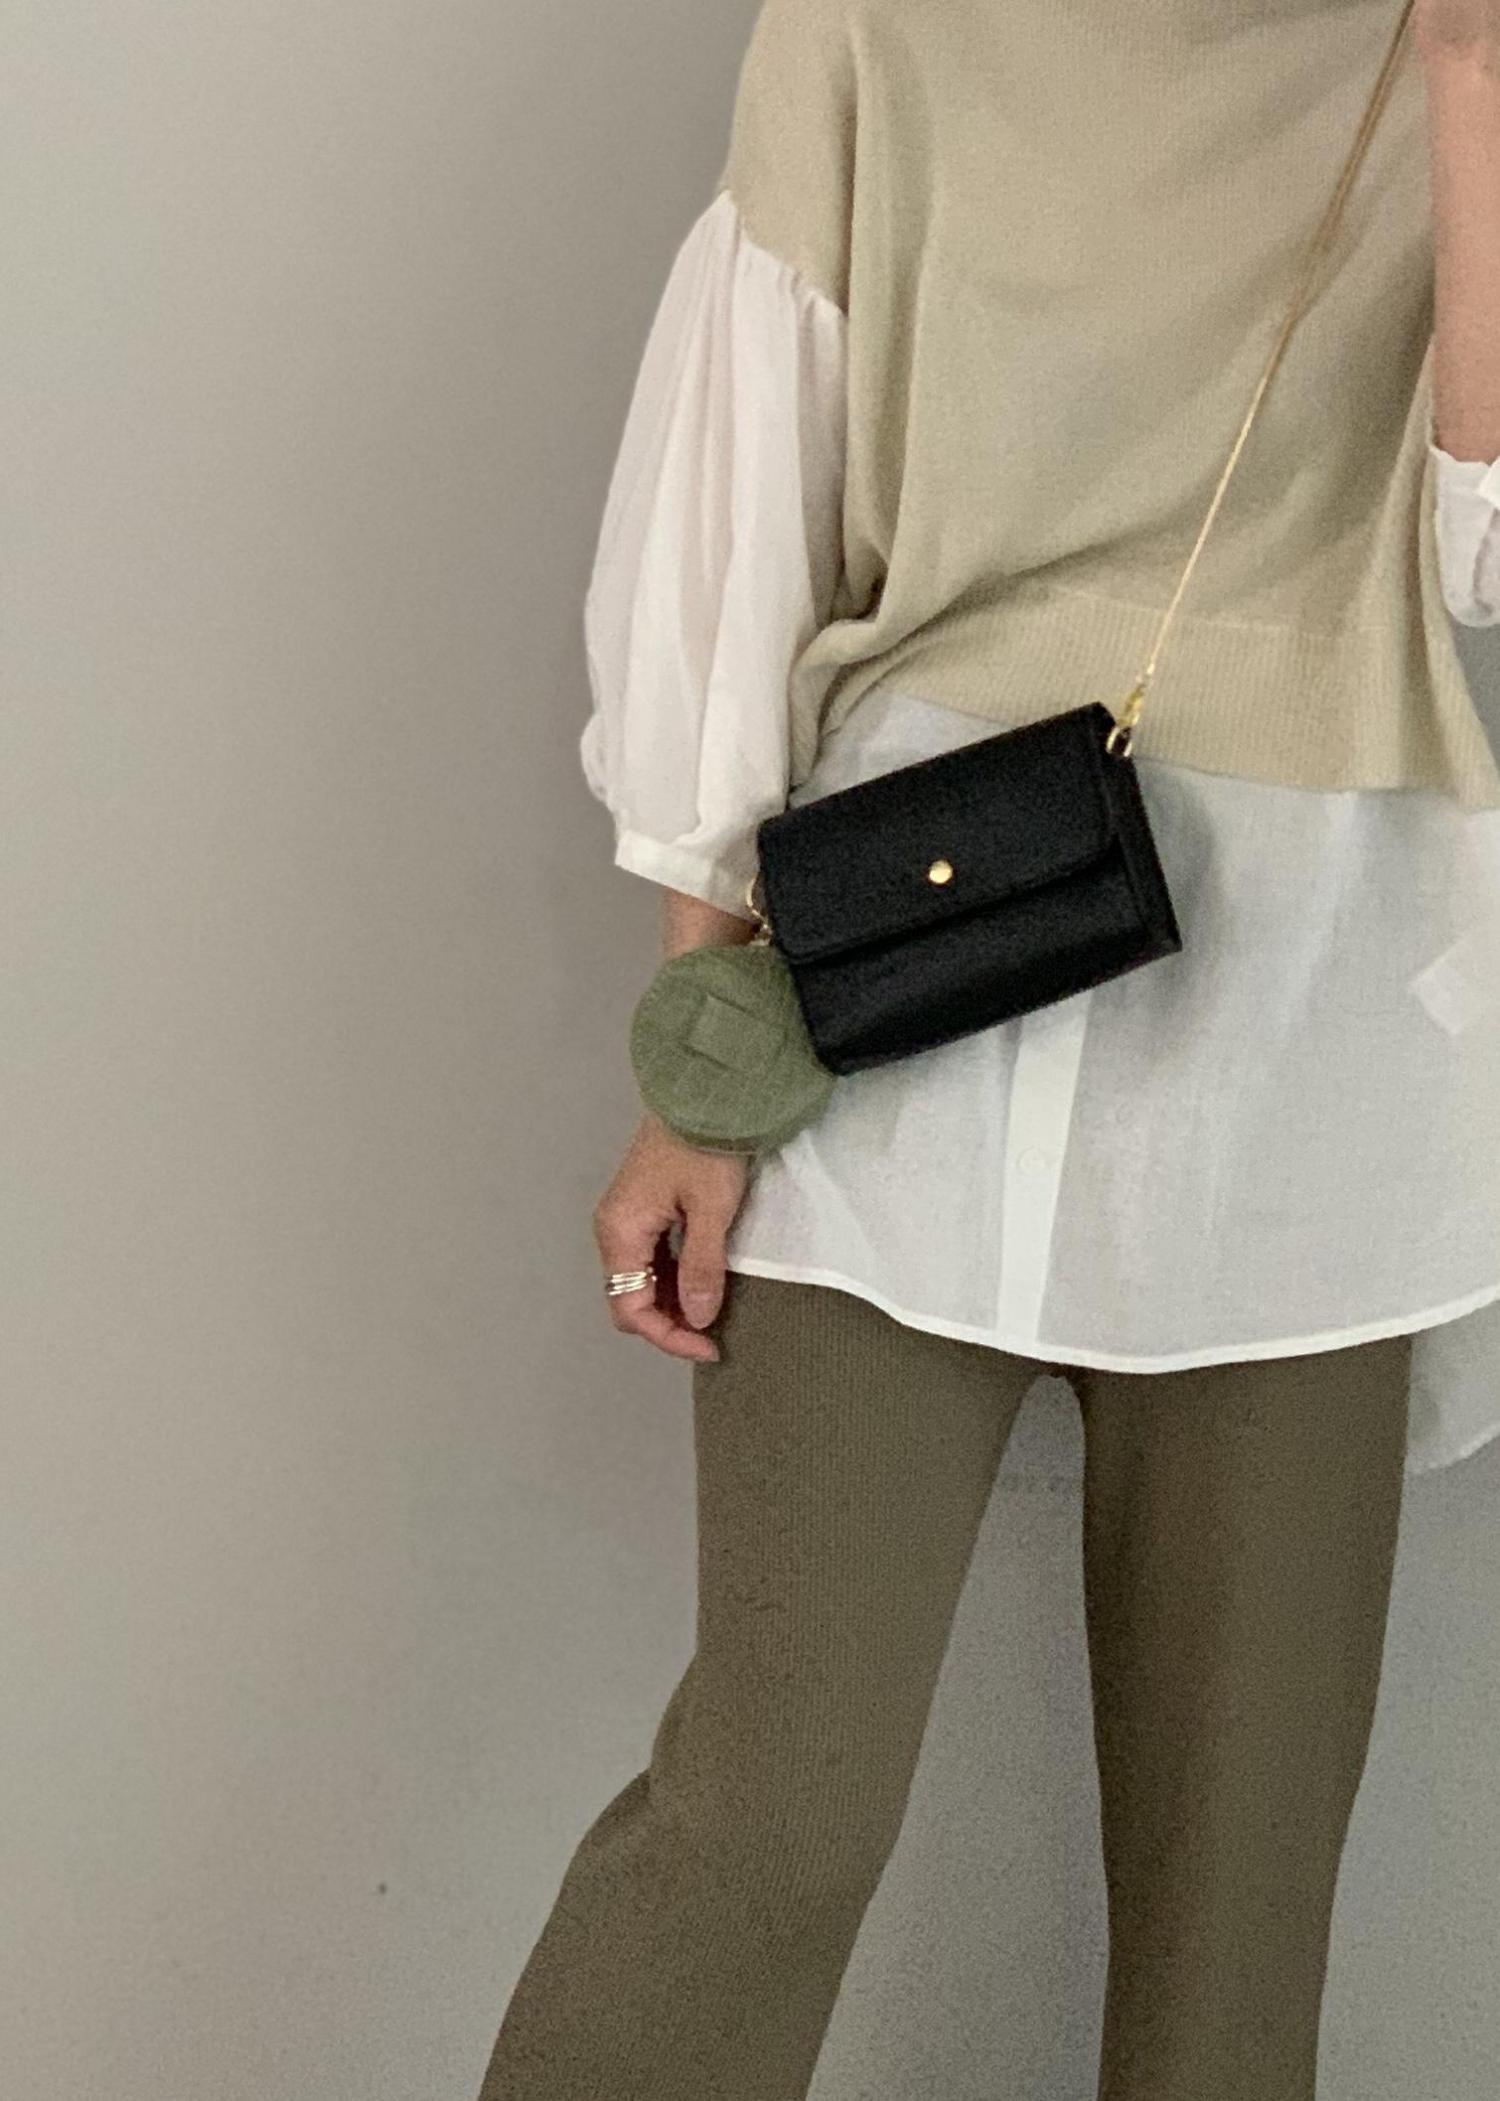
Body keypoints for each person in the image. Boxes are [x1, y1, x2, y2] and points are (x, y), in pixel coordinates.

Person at [481, 0, 1500, 2094]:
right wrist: (696, 1079)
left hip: (1303, 1081)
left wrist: (1474, 91)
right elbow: (741, 534)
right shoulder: (877, 28)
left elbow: (1483, 573)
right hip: (894, 1022)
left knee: (1238, 1921)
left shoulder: (1442, 58)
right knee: (769, 1819)